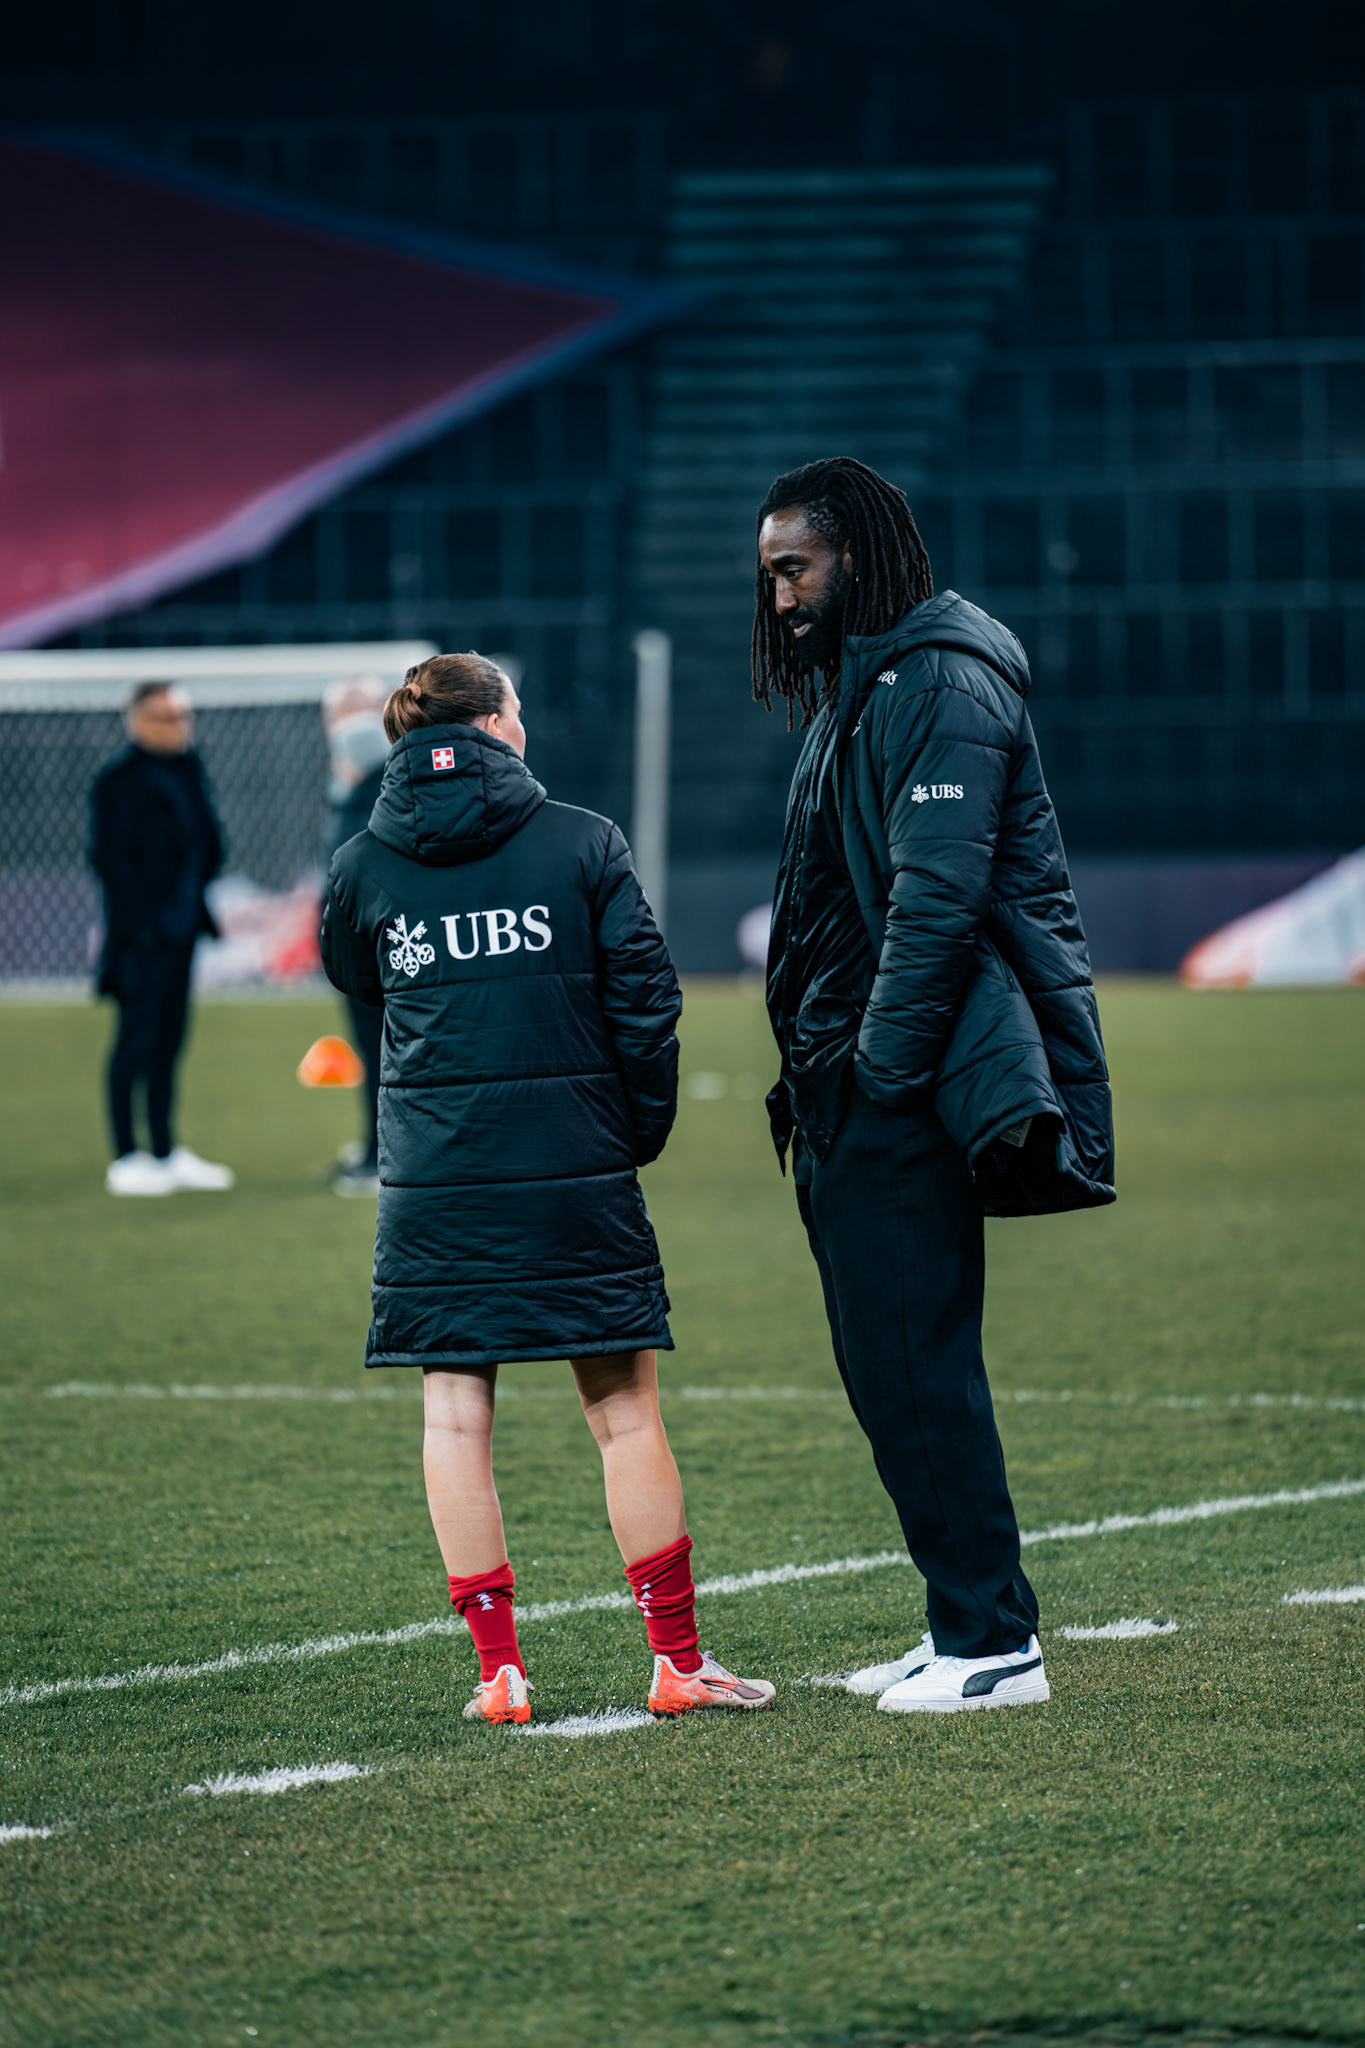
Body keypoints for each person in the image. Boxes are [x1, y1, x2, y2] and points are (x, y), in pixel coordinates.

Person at [320, 651, 775, 1725]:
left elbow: (357, 982)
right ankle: (676, 1659)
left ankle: (500, 1672)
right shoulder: (583, 839)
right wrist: (637, 1132)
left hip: (435, 1179)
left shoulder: (364, 860)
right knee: (621, 1412)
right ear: (496, 724)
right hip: (575, 1168)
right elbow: (648, 1003)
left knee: (454, 1416)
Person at [754, 457, 1114, 1715]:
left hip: (897, 1087)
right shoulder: (872, 681)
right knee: (888, 1366)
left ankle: (994, 1645)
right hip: (853, 1082)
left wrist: (878, 1076)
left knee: (916, 1363)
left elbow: (938, 902)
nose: (782, 592)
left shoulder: (940, 680)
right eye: (771, 573)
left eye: (796, 565)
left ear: (860, 552)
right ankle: (957, 1619)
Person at [89, 681, 235, 1197]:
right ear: (138, 720)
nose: (180, 727)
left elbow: (205, 846)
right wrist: (143, 925)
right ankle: (126, 1154)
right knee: (136, 1040)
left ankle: (166, 1150)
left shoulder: (188, 770)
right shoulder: (119, 780)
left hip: (181, 930)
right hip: (139, 937)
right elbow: (111, 862)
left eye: (184, 716)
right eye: (168, 717)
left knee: (170, 1041)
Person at [320, 677, 391, 1196]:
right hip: (372, 942)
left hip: (378, 945)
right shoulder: (360, 793)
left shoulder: (371, 795)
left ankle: (380, 1153)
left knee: (383, 1047)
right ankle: (376, 1146)